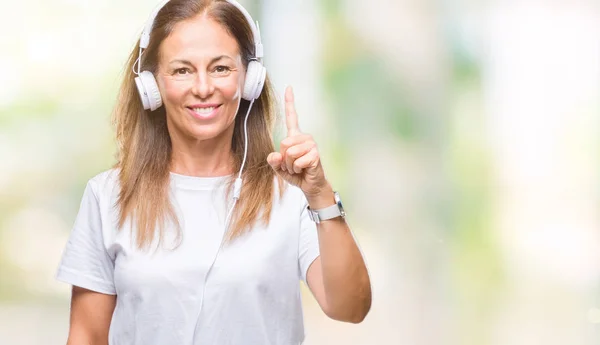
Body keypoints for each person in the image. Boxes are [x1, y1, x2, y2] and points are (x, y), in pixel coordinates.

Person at [55, 0, 371, 344]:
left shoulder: (291, 196)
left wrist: (320, 194)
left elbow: (350, 308)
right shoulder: (108, 196)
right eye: (182, 70)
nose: (203, 88)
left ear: (249, 79)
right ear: (151, 85)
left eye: (220, 68)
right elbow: (86, 336)